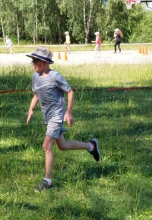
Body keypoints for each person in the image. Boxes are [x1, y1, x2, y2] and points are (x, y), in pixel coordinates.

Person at [26, 47, 101, 192]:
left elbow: (70, 91)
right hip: (47, 116)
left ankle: (47, 182)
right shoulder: (35, 77)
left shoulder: (55, 76)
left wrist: (68, 112)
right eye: (32, 60)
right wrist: (31, 109)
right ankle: (91, 146)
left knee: (47, 146)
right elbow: (36, 94)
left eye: (36, 60)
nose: (33, 63)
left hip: (56, 116)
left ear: (46, 62)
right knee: (63, 146)